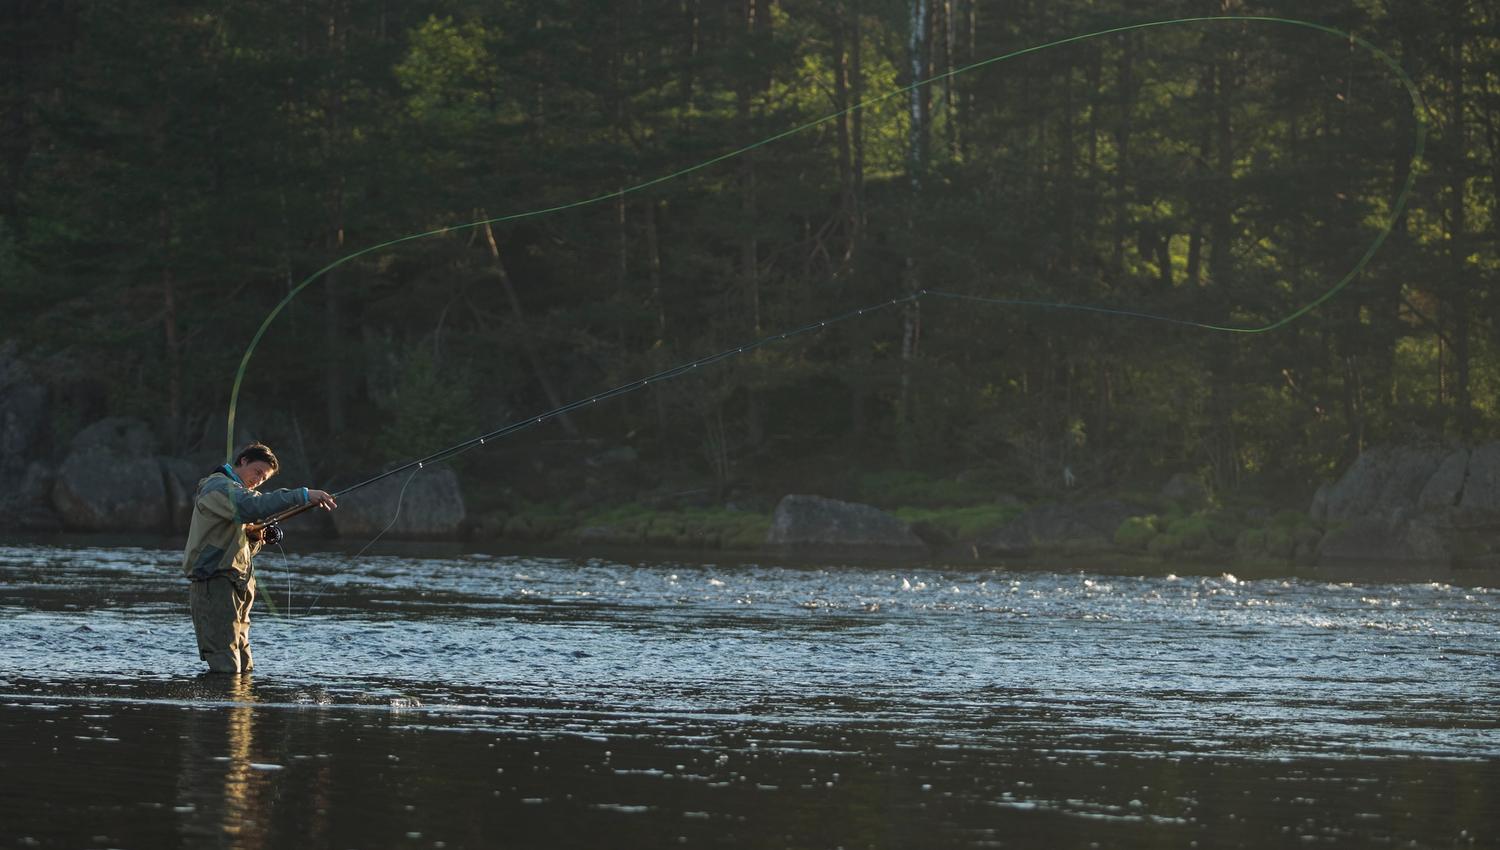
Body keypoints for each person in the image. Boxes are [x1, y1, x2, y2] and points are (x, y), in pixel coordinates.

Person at [181, 442, 337, 673]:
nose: (259, 480)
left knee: (244, 664)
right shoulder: (218, 487)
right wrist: (302, 495)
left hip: (238, 584)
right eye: (257, 472)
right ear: (243, 460)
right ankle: (222, 707)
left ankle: (242, 708)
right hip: (214, 582)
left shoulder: (239, 495)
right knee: (225, 662)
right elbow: (253, 506)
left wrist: (254, 537)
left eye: (264, 479)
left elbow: (240, 545)